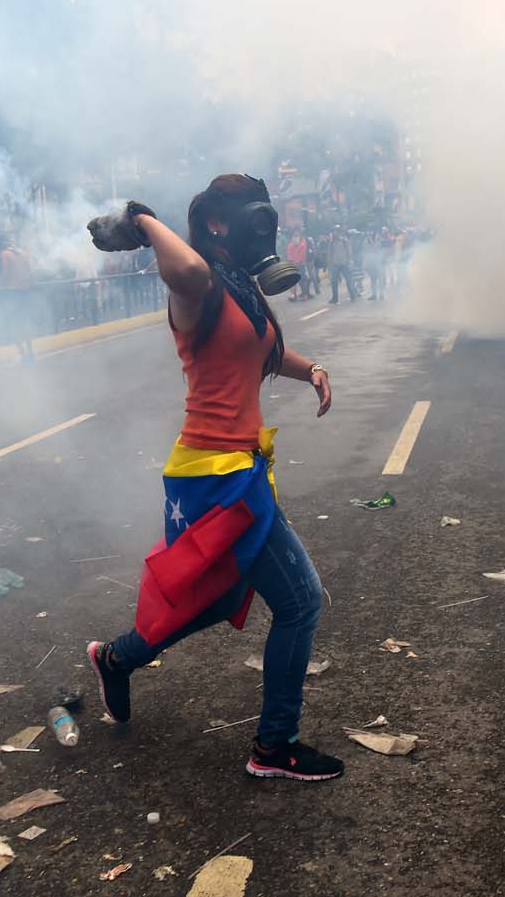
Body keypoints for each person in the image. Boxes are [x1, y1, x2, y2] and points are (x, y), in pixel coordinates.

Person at [84, 174, 343, 782]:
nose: (267, 230)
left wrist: (314, 371)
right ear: (220, 224)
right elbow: (187, 272)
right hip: (213, 473)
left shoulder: (241, 289)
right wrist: (143, 220)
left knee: (220, 594)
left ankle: (117, 659)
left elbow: (262, 353)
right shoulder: (196, 287)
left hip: (241, 467)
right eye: (254, 219)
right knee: (301, 602)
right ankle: (274, 747)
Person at [1, 242, 38, 362]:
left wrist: (0, 285)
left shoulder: (5, 254)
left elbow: (6, 274)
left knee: (14, 325)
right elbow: (31, 274)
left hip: (13, 292)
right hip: (25, 292)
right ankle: (30, 352)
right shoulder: (24, 254)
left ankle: (23, 354)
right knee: (25, 322)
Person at [328, 228, 356, 303]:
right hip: (335, 264)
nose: (335, 233)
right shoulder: (332, 242)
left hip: (345, 264)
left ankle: (352, 295)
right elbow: (330, 253)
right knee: (334, 281)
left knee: (349, 280)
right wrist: (330, 263)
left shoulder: (344, 240)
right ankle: (335, 298)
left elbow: (349, 251)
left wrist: (350, 261)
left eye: (336, 231)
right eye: (334, 231)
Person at [285, 229, 309, 301]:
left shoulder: (303, 245)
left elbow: (302, 256)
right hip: (293, 265)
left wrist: (295, 262)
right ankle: (293, 295)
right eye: (294, 237)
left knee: (302, 281)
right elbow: (288, 255)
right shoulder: (290, 245)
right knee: (292, 281)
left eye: (297, 237)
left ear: (299, 237)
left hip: (301, 265)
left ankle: (305, 295)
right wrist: (291, 262)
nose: (295, 239)